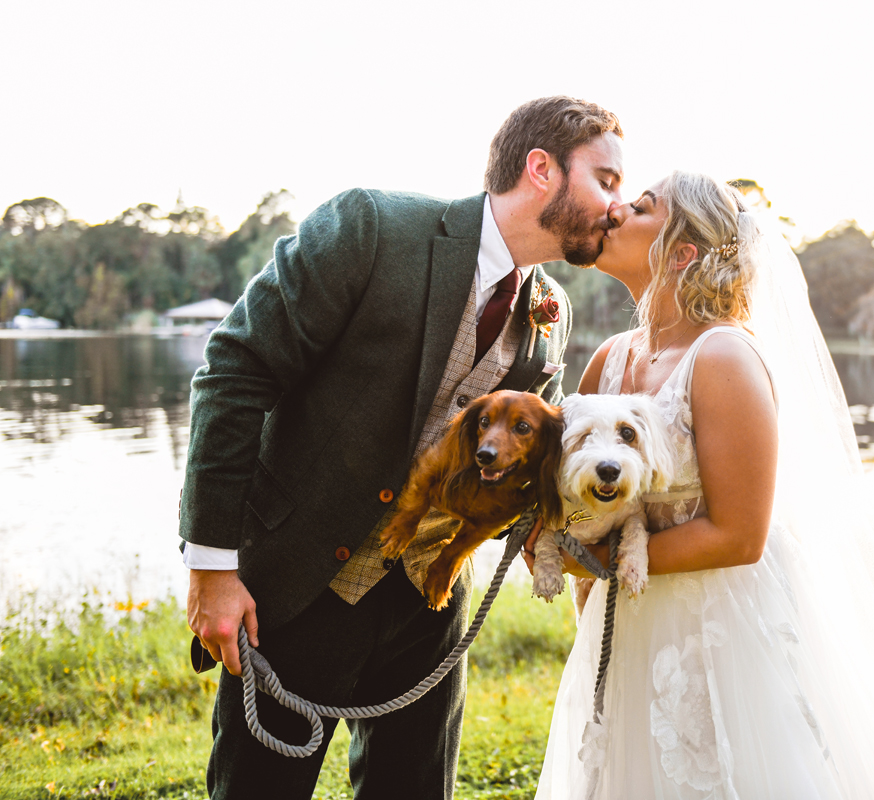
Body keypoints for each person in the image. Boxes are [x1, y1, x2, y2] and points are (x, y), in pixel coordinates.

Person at [179, 96, 624, 800]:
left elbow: (512, 463)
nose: (617, 205)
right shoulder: (371, 228)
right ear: (541, 169)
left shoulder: (551, 313)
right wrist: (211, 567)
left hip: (429, 606)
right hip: (296, 591)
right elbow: (234, 371)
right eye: (606, 179)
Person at [529, 172, 874, 798]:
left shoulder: (724, 358)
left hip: (717, 631)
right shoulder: (609, 358)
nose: (614, 212)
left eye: (639, 207)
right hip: (625, 625)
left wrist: (597, 561)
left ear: (682, 251)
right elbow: (578, 496)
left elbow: (739, 535)